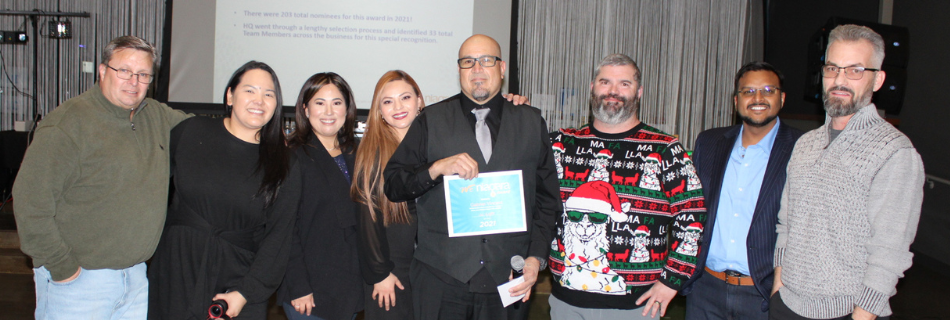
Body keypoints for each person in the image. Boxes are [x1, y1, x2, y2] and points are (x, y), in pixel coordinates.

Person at [384, 34, 560, 320]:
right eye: (468, 62)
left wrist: (535, 258)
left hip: (507, 277)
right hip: (441, 279)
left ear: (502, 69)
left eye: (486, 61)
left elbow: (547, 200)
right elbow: (393, 184)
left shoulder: (531, 122)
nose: (477, 69)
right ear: (459, 71)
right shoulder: (430, 120)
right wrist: (436, 168)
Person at [12, 35, 189, 319]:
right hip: (78, 283)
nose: (134, 81)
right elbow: (30, 205)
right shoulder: (67, 124)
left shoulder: (155, 115)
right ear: (103, 71)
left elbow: (201, 136)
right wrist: (63, 268)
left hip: (135, 280)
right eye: (125, 71)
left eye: (143, 74)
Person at [771, 24, 924, 320]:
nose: (839, 80)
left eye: (855, 70)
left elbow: (889, 254)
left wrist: (861, 316)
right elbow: (786, 224)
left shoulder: (894, 153)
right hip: (786, 305)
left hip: (848, 314)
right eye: (832, 68)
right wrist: (779, 284)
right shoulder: (806, 144)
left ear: (877, 80)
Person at [546, 53, 707, 320]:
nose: (613, 91)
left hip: (636, 307)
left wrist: (672, 281)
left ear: (639, 92)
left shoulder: (666, 149)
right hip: (566, 302)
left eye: (624, 84)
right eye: (605, 82)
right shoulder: (560, 144)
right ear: (592, 87)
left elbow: (693, 216)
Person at [148, 61, 302, 319]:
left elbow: (279, 240)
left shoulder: (285, 163)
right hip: (175, 270)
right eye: (250, 91)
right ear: (230, 96)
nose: (259, 100)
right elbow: (151, 192)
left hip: (237, 285)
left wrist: (244, 293)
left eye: (269, 94)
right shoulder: (191, 132)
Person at [682, 61, 803, 320]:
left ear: (781, 98)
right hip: (705, 290)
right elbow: (692, 209)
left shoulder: (802, 149)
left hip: (763, 296)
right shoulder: (709, 142)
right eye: (748, 92)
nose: (757, 98)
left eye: (767, 91)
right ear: (736, 100)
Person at [277, 72, 363, 320]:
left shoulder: (358, 154)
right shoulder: (292, 157)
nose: (329, 111)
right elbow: (284, 229)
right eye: (319, 103)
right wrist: (299, 285)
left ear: (347, 110)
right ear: (305, 109)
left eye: (337, 103)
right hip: (308, 290)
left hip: (349, 285)